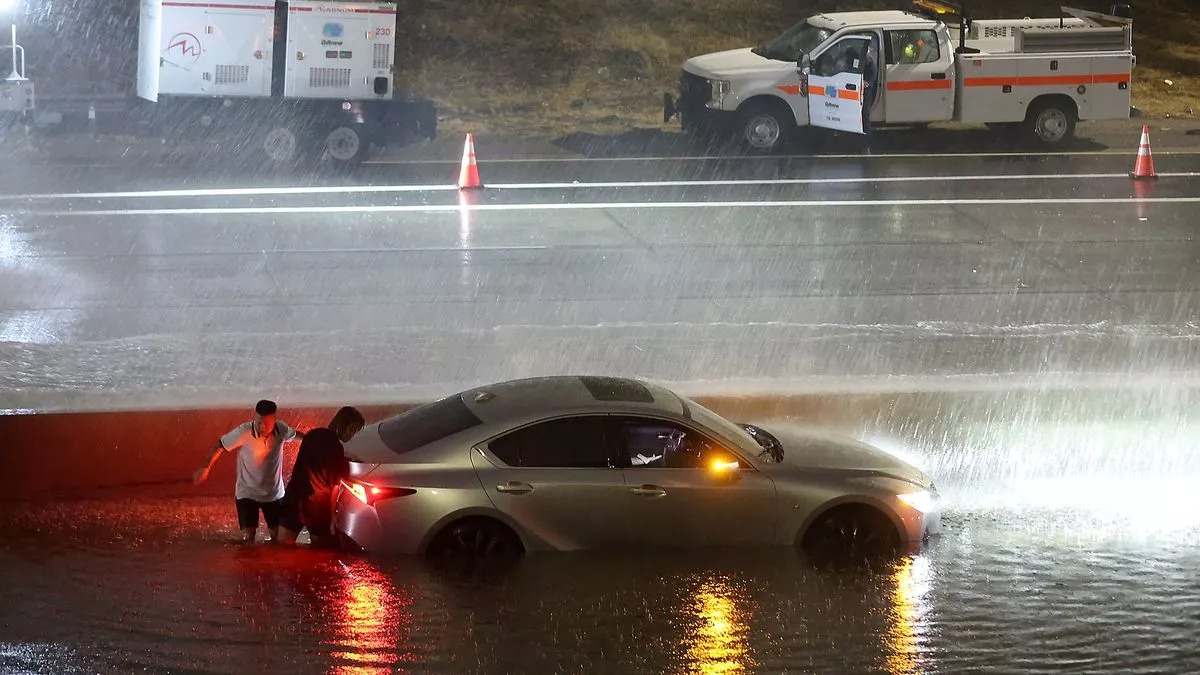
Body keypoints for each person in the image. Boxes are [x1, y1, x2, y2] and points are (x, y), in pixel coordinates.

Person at [193, 399, 306, 543]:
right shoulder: (244, 431)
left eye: (266, 423)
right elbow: (219, 445)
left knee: (278, 538)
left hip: (274, 494)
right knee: (248, 538)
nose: (261, 426)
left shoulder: (281, 429)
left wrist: (315, 440)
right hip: (247, 492)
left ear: (274, 420)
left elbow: (298, 436)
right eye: (258, 421)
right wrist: (206, 467)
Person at [276, 406, 366, 548]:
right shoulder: (336, 447)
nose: (352, 434)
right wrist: (332, 517)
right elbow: (334, 485)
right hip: (316, 505)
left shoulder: (312, 434)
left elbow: (300, 466)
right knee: (322, 551)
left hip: (294, 498)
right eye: (353, 429)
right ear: (343, 424)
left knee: (281, 548)